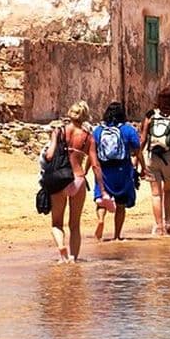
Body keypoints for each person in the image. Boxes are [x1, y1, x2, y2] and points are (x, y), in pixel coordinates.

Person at [44, 101, 108, 263]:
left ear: (70, 113)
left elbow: (49, 156)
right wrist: (103, 189)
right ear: (85, 116)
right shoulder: (88, 137)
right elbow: (95, 165)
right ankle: (73, 258)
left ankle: (61, 249)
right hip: (78, 179)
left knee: (57, 223)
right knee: (75, 224)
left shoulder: (58, 132)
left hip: (60, 179)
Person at [92, 101, 145, 241]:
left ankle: (101, 220)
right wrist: (143, 168)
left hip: (104, 170)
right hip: (123, 170)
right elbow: (137, 151)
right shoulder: (128, 130)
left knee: (102, 200)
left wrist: (86, 170)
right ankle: (117, 235)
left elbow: (92, 153)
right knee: (120, 204)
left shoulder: (98, 131)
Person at [140, 88, 170, 236]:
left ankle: (159, 226)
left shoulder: (150, 115)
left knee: (156, 194)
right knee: (168, 190)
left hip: (152, 157)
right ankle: (167, 222)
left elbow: (142, 139)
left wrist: (136, 160)